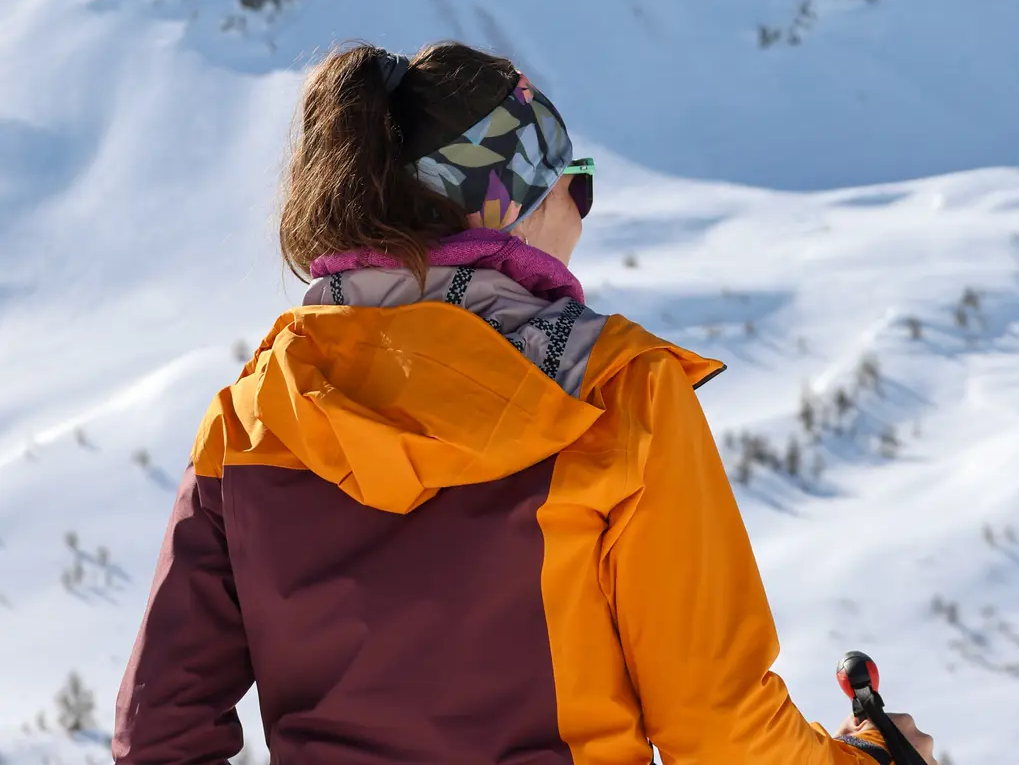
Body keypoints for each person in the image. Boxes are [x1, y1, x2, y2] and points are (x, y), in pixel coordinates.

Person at [113, 41, 936, 765]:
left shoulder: (253, 418)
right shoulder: (615, 390)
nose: (581, 214)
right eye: (575, 184)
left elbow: (158, 735)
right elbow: (714, 730)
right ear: (515, 209)